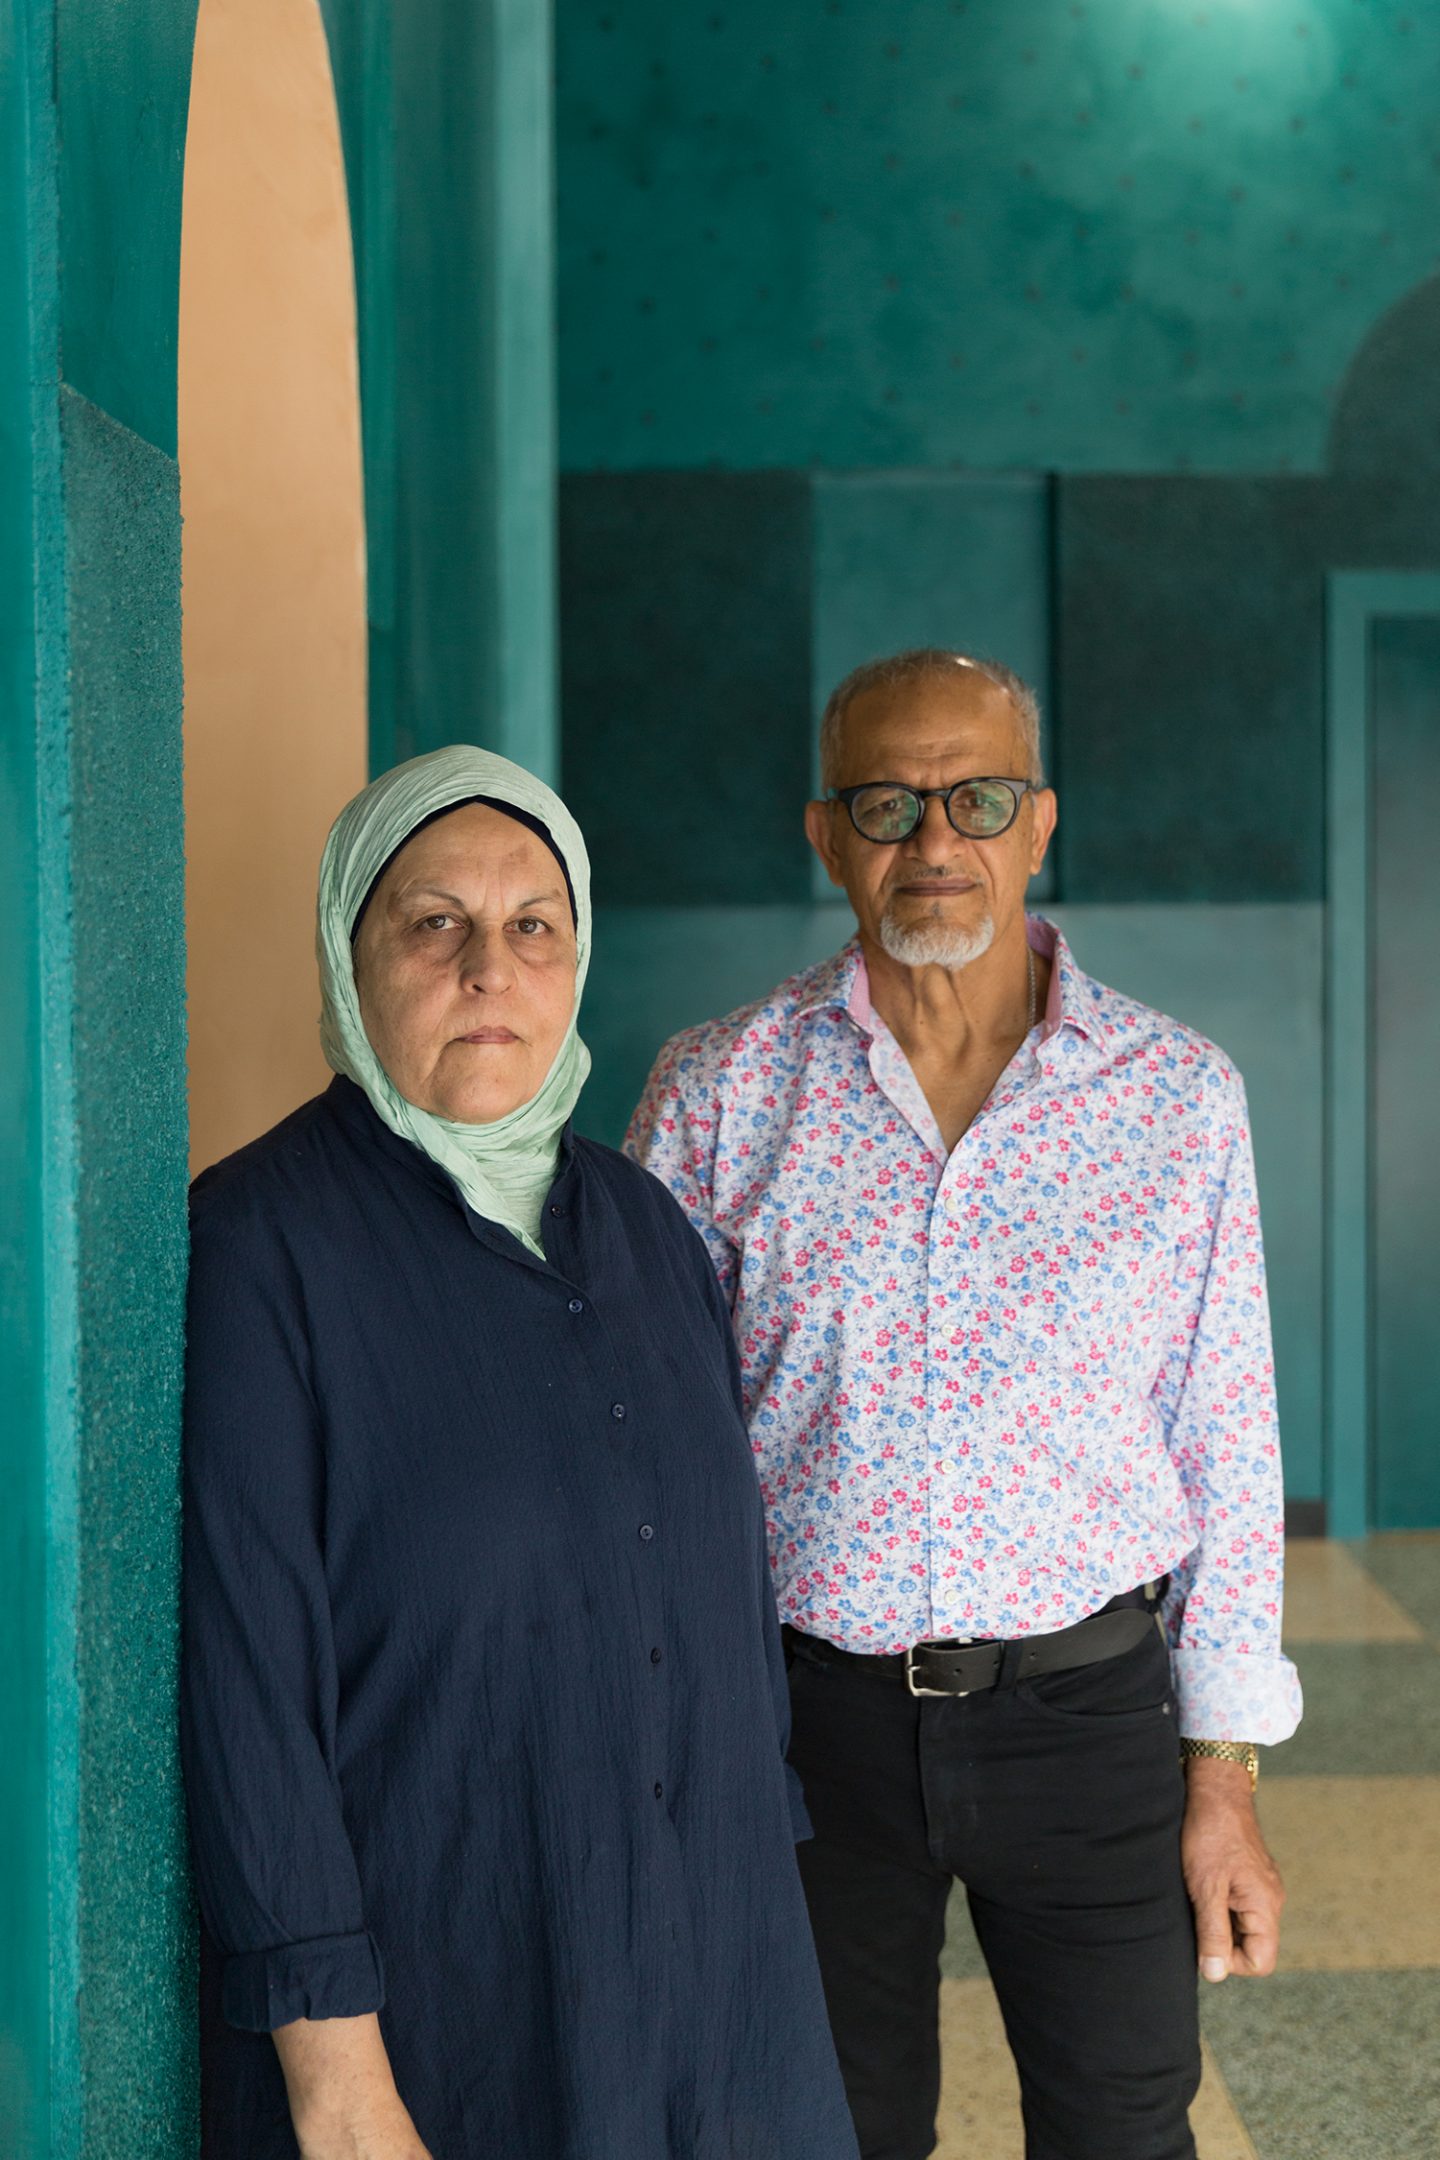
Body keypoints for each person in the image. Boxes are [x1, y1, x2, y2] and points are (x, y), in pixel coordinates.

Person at [627, 649, 1303, 2160]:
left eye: (976, 797)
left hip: (1091, 1717)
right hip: (805, 1732)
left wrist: (1225, 1780)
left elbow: (1229, 1446)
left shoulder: (1176, 1096)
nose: (934, 841)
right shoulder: (718, 1090)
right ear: (825, 833)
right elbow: (646, 1453)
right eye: (885, 801)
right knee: (823, 2132)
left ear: (1039, 821)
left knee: (1124, 2128)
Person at [180, 746, 858, 2160]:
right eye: (433, 923)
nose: (491, 966)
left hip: (713, 1969)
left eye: (532, 924)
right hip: (444, 1984)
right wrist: (333, 2066)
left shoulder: (648, 1227)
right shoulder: (261, 1242)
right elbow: (246, 1680)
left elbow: (723, 1604)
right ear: (350, 957)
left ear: (577, 958)